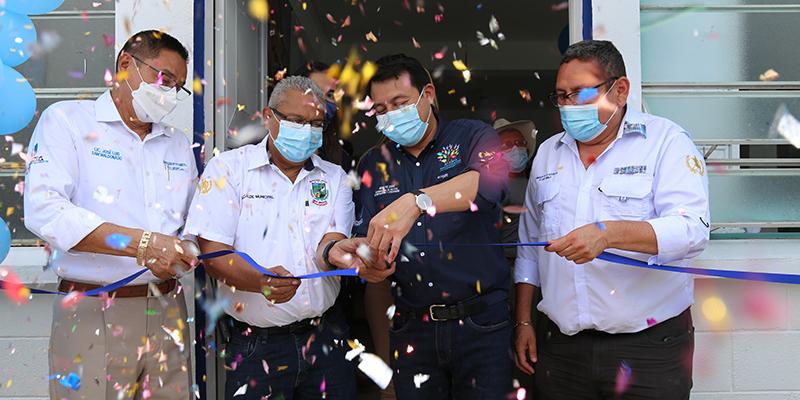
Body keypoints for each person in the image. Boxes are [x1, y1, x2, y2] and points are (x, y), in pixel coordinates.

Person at [514, 40, 710, 399]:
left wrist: (607, 234)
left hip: (648, 349)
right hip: (562, 350)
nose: (569, 105)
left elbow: (692, 230)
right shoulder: (547, 154)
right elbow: (529, 248)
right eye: (562, 96)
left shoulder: (666, 142)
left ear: (620, 90)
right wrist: (524, 320)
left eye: (581, 93)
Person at [24, 30, 197, 399]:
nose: (169, 93)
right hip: (93, 308)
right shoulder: (68, 121)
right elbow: (45, 210)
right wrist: (142, 245)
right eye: (163, 78)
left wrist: (186, 249)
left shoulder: (177, 143)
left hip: (168, 308)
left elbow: (190, 222)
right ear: (125, 64)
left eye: (177, 86)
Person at [184, 76, 366, 399]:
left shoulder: (334, 177)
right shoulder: (228, 170)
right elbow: (213, 254)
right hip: (256, 347)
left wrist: (338, 253)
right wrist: (260, 281)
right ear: (269, 117)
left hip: (325, 340)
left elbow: (330, 242)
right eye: (296, 121)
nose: (307, 131)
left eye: (315, 124)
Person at [355, 53, 511, 399]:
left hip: (481, 324)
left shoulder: (473, 136)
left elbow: (490, 184)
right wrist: (369, 262)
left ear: (428, 95)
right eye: (380, 109)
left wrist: (417, 201)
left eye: (400, 103)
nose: (391, 114)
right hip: (412, 328)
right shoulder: (373, 164)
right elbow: (370, 262)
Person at [493, 118, 537, 261]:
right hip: (506, 260)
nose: (516, 148)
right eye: (507, 144)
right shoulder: (491, 187)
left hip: (540, 258)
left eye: (520, 143)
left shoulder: (538, 180)